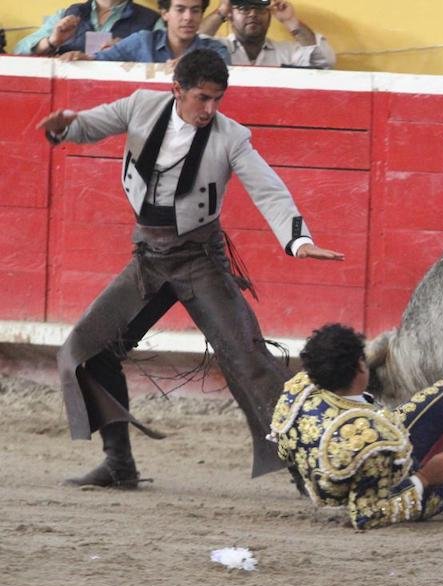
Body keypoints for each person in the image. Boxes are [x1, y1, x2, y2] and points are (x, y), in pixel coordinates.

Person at [36, 48, 344, 489]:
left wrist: (299, 240)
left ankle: (308, 470)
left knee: (249, 360)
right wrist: (64, 127)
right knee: (88, 349)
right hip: (149, 258)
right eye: (202, 98)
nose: (210, 109)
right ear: (177, 89)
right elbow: (89, 125)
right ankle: (119, 464)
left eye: (217, 99)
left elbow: (269, 189)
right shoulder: (142, 106)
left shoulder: (231, 136)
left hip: (199, 260)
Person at [269, 324, 443, 530]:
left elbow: (283, 448)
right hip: (399, 490)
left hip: (365, 459)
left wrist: (314, 478)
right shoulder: (371, 441)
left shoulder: (301, 387)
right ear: (361, 367)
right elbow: (366, 515)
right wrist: (426, 477)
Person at [61, 0, 229, 63]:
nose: (188, 17)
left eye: (195, 11)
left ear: (201, 15)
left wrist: (193, 65)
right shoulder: (143, 41)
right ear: (165, 13)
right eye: (180, 9)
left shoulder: (216, 50)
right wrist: (80, 57)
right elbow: (100, 59)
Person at [198, 0, 335, 68]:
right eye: (244, 8)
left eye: (260, 9)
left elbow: (324, 60)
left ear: (270, 15)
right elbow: (191, 46)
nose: (253, 14)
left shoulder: (286, 53)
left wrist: (290, 20)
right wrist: (221, 11)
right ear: (230, 14)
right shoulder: (216, 50)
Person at [14, 0, 160, 57]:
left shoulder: (152, 20)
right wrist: (52, 41)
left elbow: (165, 61)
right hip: (67, 92)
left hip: (124, 97)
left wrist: (129, 49)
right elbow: (19, 51)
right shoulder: (67, 14)